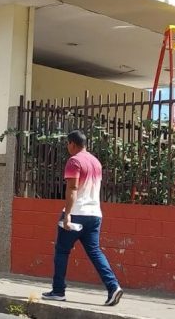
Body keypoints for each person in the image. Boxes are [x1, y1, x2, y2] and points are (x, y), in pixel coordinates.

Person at [42, 130, 123, 307]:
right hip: (94, 214)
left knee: (62, 251)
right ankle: (113, 286)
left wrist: (67, 215)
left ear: (72, 143)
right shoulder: (96, 162)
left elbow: (72, 189)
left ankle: (58, 291)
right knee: (95, 252)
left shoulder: (74, 161)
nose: (67, 147)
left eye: (67, 143)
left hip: (77, 213)